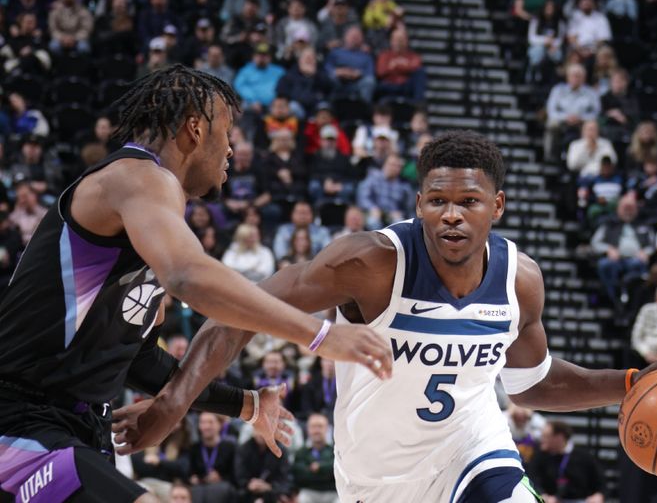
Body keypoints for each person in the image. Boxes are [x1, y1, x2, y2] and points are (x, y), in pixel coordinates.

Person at [113, 130, 657, 502]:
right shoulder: (370, 263)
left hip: (472, 450)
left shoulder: (520, 280)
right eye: (437, 201)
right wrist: (172, 403)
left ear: (496, 207)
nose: (451, 215)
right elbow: (237, 311)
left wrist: (630, 383)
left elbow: (532, 383)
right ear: (419, 201)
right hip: (375, 479)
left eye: (469, 202)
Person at [0, 66, 391, 502]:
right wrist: (320, 334)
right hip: (20, 424)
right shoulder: (138, 176)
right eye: (228, 132)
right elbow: (189, 276)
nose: (231, 148)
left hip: (79, 431)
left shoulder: (149, 217)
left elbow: (136, 360)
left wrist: (246, 404)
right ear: (195, 128)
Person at [528, 421, 604, 503]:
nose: (542, 440)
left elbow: (600, 482)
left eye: (546, 436)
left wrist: (599, 495)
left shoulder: (584, 457)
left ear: (559, 437)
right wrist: (541, 494)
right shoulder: (539, 456)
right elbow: (533, 479)